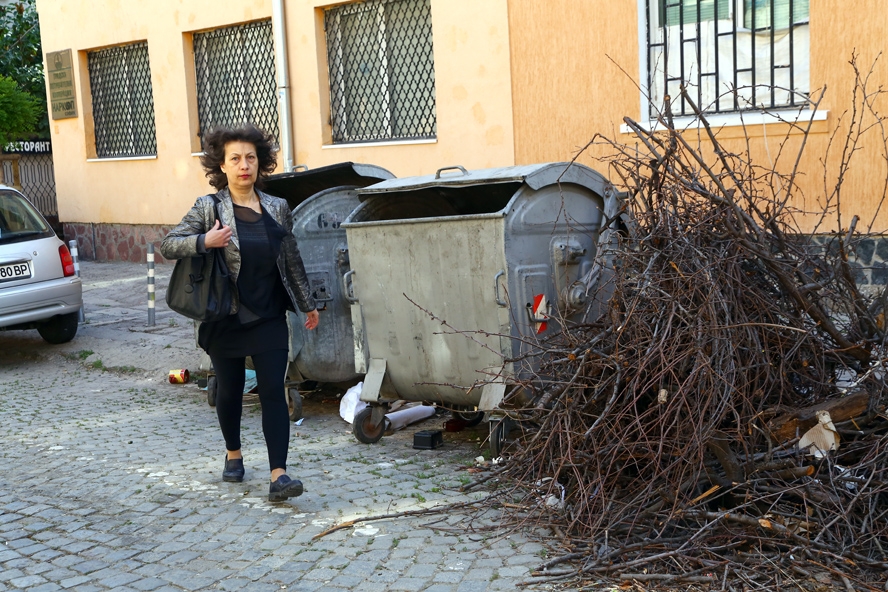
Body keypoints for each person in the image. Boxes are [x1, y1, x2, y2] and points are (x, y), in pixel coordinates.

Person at [161, 125, 319, 502]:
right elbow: (169, 244)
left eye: (250, 158)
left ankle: (279, 474)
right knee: (229, 390)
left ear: (260, 163)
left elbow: (291, 260)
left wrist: (306, 303)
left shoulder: (278, 207)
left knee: (272, 392)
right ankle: (233, 452)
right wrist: (205, 240)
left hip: (267, 315)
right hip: (224, 316)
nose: (244, 165)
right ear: (223, 165)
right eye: (235, 159)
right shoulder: (209, 206)